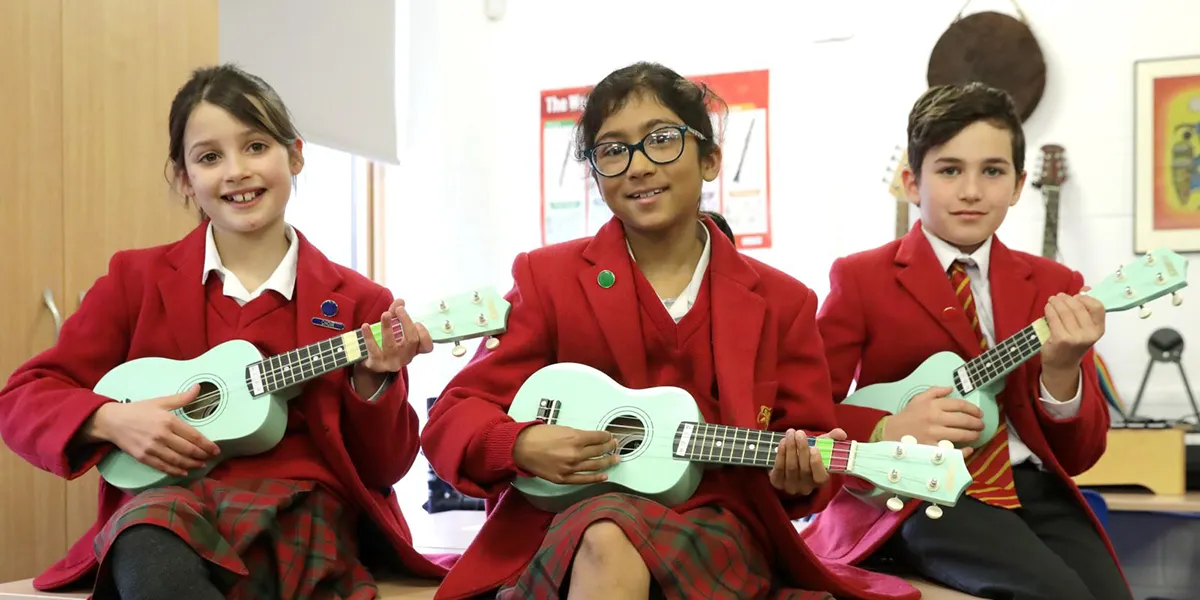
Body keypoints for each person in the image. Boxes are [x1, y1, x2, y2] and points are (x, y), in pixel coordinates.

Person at [419, 61, 914, 600]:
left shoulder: (783, 303)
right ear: (597, 174)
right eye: (612, 150)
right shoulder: (548, 280)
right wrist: (520, 443)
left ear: (709, 159)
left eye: (661, 140)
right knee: (605, 529)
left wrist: (801, 473)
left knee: (612, 534)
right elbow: (453, 415)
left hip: (719, 529)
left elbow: (810, 447)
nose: (637, 166)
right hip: (566, 522)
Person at [0, 64, 454, 599]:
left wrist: (373, 383)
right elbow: (24, 398)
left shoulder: (361, 304)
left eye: (256, 146)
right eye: (210, 157)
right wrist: (110, 419)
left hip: (303, 513)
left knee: (293, 540)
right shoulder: (135, 280)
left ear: (296, 155)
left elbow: (386, 466)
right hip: (166, 513)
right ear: (184, 177)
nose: (236, 171)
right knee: (145, 533)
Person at [800, 82, 1132, 600]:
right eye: (950, 170)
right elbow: (808, 411)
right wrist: (887, 426)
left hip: (1036, 489)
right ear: (912, 182)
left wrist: (1062, 369)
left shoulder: (1054, 284)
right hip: (920, 493)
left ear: (1020, 185)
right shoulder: (862, 278)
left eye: (992, 171)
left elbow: (1082, 454)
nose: (972, 190)